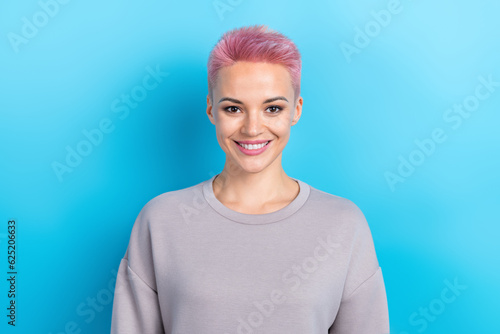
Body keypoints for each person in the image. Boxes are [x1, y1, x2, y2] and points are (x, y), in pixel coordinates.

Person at [110, 24, 389, 333]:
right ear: (210, 109)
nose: (253, 128)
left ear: (295, 110)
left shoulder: (343, 224)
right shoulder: (161, 220)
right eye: (233, 108)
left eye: (272, 108)